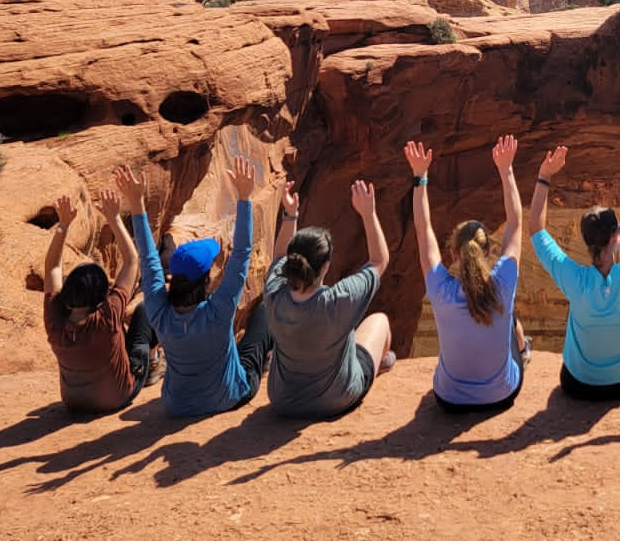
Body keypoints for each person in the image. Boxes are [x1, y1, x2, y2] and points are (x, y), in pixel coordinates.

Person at [114, 155, 273, 418]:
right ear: (207, 276)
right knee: (263, 318)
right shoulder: (218, 311)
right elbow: (242, 252)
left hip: (177, 405)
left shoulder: (159, 311)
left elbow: (149, 259)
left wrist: (137, 205)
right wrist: (244, 197)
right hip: (227, 397)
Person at [529, 134, 620, 400]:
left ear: (585, 239)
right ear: (617, 236)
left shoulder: (574, 279)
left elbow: (536, 229)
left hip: (579, 385)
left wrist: (544, 175)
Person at [405, 134, 529, 413]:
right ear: (486, 253)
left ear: (452, 253)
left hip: (449, 400)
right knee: (509, 322)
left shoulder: (440, 288)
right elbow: (516, 224)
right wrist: (506, 169)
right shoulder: (502, 283)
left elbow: (423, 231)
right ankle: (525, 351)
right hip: (500, 397)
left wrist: (419, 177)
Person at [262, 171, 394, 418]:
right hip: (337, 399)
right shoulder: (338, 300)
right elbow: (379, 261)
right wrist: (369, 213)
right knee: (380, 322)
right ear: (325, 266)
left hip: (283, 401)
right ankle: (376, 364)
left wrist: (290, 215)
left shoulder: (274, 295)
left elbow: (278, 258)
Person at [42, 186, 157, 413]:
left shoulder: (54, 318)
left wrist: (63, 225)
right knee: (145, 310)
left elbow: (52, 267)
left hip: (73, 403)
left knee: (119, 331)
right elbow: (132, 261)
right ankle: (152, 364)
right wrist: (114, 218)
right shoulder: (107, 315)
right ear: (99, 300)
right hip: (117, 398)